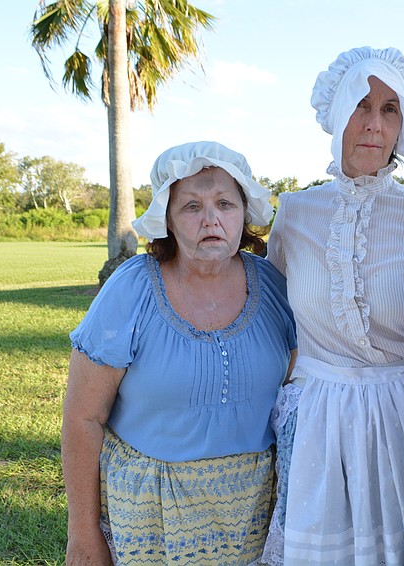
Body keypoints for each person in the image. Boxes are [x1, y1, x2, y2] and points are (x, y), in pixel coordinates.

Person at [260, 46, 404, 565]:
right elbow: (273, 324)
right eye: (360, 104)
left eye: (389, 109)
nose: (374, 123)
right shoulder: (293, 215)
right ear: (335, 115)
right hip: (316, 423)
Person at [62, 141, 297, 565]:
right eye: (191, 206)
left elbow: (294, 392)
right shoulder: (133, 288)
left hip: (253, 516)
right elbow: (84, 417)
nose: (211, 219)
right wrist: (82, 535)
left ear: (244, 215)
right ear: (167, 219)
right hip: (151, 518)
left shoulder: (275, 287)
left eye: (225, 203)